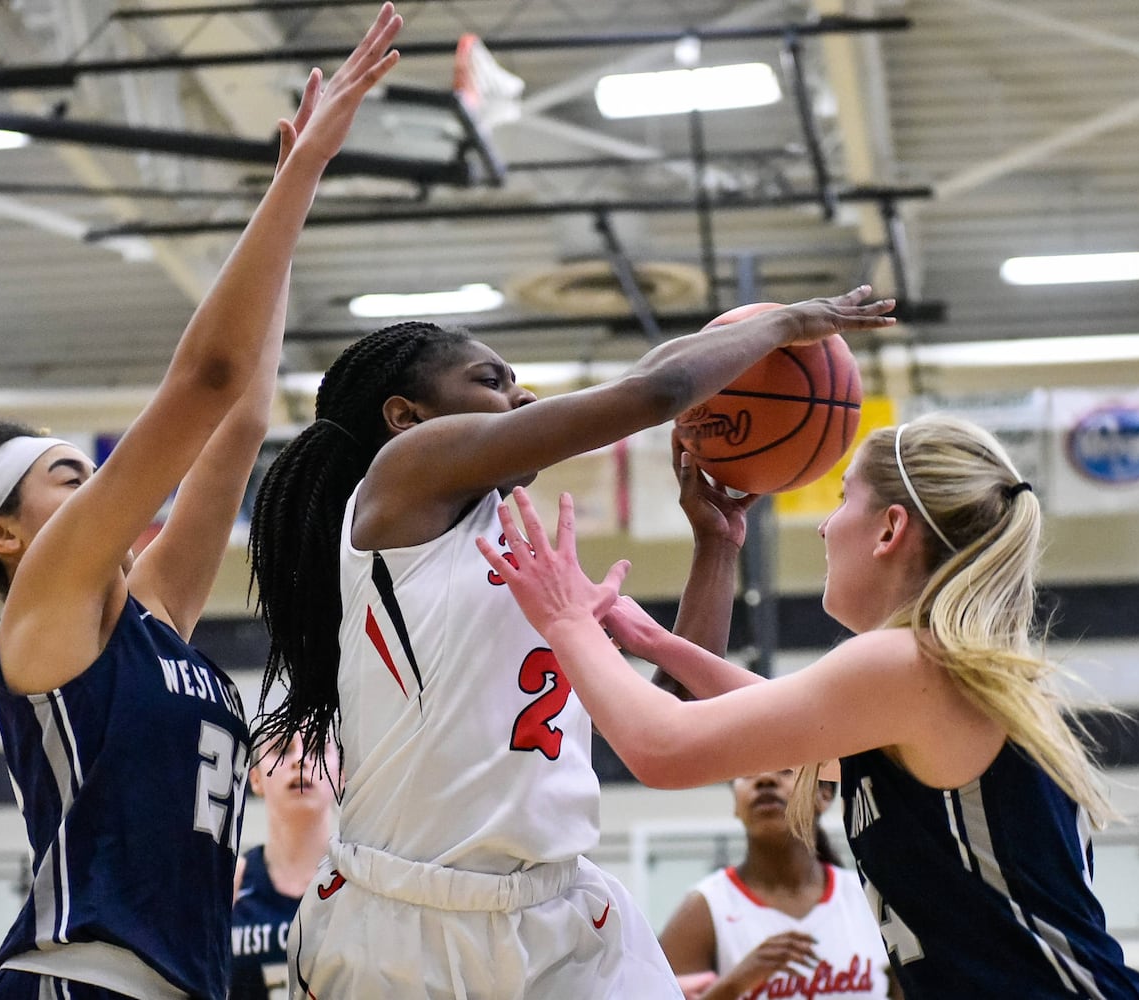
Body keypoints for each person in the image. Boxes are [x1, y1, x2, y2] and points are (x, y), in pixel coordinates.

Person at [0, 10, 403, 999]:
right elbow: (207, 377)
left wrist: (289, 192)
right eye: (64, 475)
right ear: (3, 534)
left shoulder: (149, 616)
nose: (91, 482)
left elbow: (242, 414)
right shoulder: (44, 606)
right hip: (82, 982)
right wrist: (299, 176)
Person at [246, 285, 896, 998]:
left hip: (562, 914)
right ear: (409, 417)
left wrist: (715, 547)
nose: (522, 399)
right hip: (407, 918)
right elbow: (656, 391)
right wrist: (786, 322)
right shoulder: (402, 481)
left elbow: (669, 718)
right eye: (492, 382)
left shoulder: (528, 553)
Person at [476, 413, 1139, 998]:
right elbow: (790, 722)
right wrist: (652, 640)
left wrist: (565, 623)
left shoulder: (907, 661)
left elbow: (663, 747)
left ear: (888, 529)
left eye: (839, 499)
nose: (826, 525)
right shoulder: (933, 669)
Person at [660, 773, 897, 1000]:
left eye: (786, 770)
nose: (765, 779)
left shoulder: (869, 895)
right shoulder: (704, 907)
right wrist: (734, 985)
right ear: (734, 802)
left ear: (824, 794)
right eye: (748, 773)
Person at [230, 732, 336, 1000]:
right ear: (255, 777)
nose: (300, 759)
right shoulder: (229, 886)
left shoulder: (364, 885)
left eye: (317, 748)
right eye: (282, 748)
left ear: (342, 774)